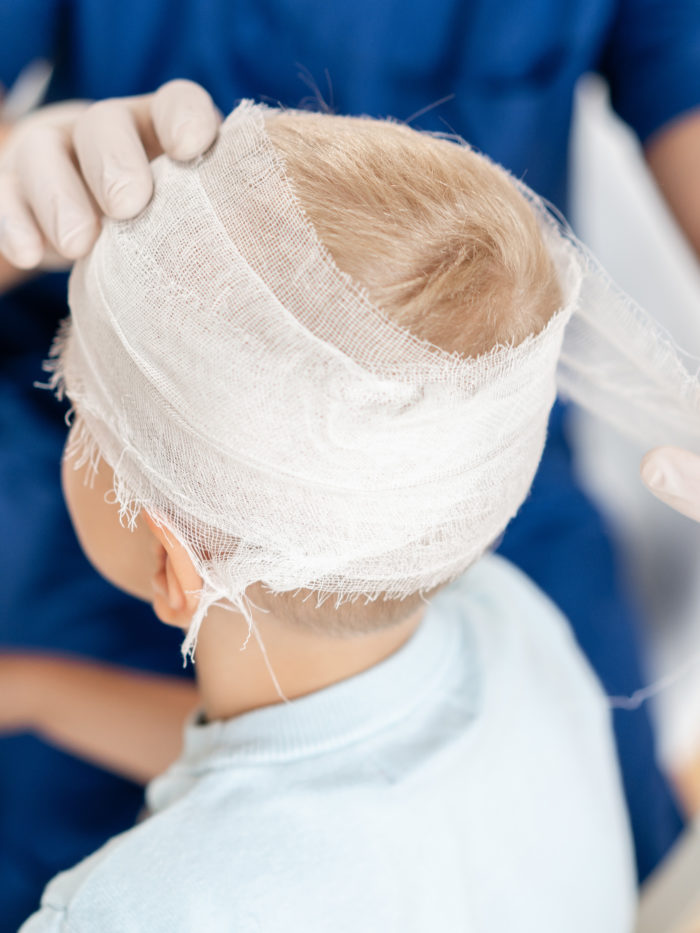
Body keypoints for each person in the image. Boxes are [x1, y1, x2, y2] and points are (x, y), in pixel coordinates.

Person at [2, 1, 698, 921]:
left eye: (77, 396)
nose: (75, 405)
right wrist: (42, 694)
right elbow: (309, 765)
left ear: (175, 566)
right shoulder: (520, 625)